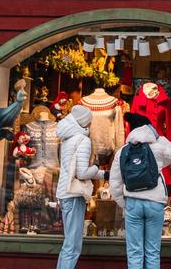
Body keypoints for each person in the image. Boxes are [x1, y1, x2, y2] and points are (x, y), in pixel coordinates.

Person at [108, 110, 171, 269]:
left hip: (133, 202)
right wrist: (159, 137)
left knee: (135, 252)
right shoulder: (158, 148)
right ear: (148, 129)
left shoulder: (123, 151)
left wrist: (124, 203)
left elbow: (115, 182)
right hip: (155, 203)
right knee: (152, 251)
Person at [55, 105, 106, 269]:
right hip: (74, 194)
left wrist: (104, 174)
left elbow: (74, 170)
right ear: (84, 122)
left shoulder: (68, 139)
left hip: (66, 192)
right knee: (73, 245)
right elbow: (82, 173)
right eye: (89, 121)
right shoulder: (83, 140)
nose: (90, 124)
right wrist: (96, 166)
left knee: (68, 243)